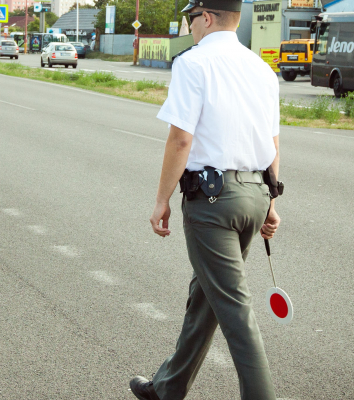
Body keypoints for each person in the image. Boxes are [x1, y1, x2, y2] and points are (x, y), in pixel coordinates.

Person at [129, 0, 281, 399]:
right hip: (254, 195)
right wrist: (272, 201)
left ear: (207, 17)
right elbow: (273, 142)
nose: (189, 27)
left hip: (212, 203)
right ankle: (168, 386)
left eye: (190, 19)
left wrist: (161, 199)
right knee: (207, 296)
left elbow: (181, 138)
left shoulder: (193, 64)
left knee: (233, 308)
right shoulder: (262, 70)